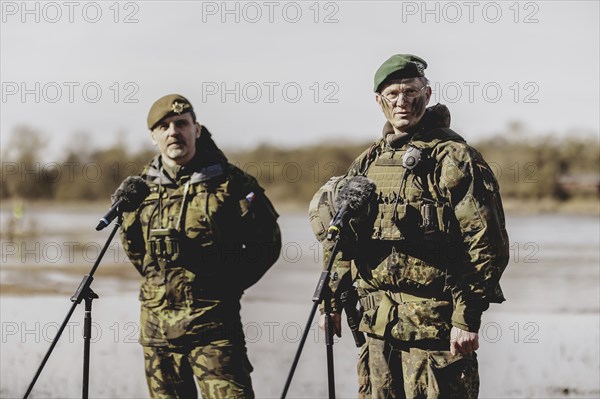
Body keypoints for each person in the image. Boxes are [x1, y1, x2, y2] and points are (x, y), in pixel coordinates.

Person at [313, 54, 509, 398]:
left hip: (435, 333)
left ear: (427, 94)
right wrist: (331, 303)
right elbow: (342, 239)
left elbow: (486, 244)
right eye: (392, 94)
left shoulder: (454, 158)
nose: (402, 102)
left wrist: (466, 318)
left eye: (410, 92)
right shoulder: (367, 162)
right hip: (377, 330)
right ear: (379, 101)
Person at [119, 94, 281, 398]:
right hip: (157, 331)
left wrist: (226, 285)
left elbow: (266, 246)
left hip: (214, 328)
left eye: (181, 123)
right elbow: (135, 249)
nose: (173, 132)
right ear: (153, 137)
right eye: (163, 126)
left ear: (197, 128)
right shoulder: (139, 189)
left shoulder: (232, 183)